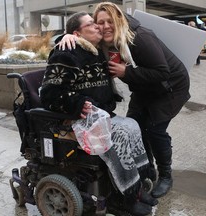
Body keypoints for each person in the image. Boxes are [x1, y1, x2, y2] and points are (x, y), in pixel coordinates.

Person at [59, 2, 191, 199]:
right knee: (136, 125)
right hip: (143, 87)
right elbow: (82, 39)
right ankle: (148, 169)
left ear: (119, 19)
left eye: (110, 21)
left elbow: (163, 71)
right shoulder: (104, 41)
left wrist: (126, 72)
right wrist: (68, 35)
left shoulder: (140, 37)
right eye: (100, 22)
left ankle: (165, 176)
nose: (105, 26)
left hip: (170, 87)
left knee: (155, 130)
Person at [39, 11, 157, 216]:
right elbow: (49, 94)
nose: (97, 27)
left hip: (99, 115)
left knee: (132, 126)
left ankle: (137, 187)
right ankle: (125, 199)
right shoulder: (66, 53)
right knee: (118, 137)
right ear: (77, 33)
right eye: (91, 24)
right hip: (76, 120)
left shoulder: (96, 50)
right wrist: (77, 104)